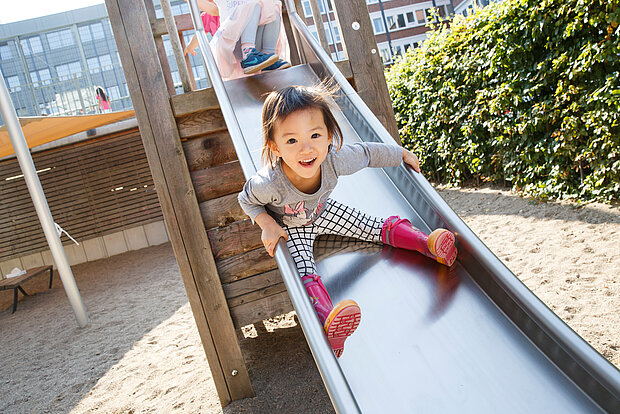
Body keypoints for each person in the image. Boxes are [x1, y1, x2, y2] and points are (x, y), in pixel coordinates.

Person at [237, 85, 457, 358]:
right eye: (292, 141)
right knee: (303, 269)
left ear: (329, 136)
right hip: (291, 228)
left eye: (315, 135)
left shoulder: (334, 160)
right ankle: (330, 321)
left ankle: (427, 243)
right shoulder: (269, 183)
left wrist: (400, 153)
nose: (306, 149)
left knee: (371, 226)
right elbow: (246, 199)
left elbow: (367, 153)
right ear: (275, 147)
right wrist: (267, 224)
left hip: (323, 212)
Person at [185, 0, 290, 79]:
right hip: (235, 44)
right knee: (252, 4)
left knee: (272, 4)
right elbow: (214, 10)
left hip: (255, 41)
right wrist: (191, 46)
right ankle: (248, 53)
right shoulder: (213, 11)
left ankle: (268, 56)